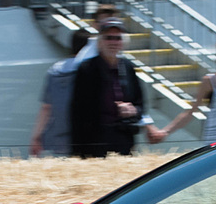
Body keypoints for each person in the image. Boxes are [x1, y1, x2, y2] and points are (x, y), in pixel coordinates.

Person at [69, 19, 168, 157]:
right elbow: (77, 111)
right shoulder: (86, 68)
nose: (113, 42)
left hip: (123, 140)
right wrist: (76, 150)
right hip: (95, 141)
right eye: (108, 38)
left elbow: (140, 104)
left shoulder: (128, 67)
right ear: (100, 41)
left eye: (117, 38)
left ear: (123, 42)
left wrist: (133, 110)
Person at [29, 26, 93, 158]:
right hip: (85, 137)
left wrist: (36, 137)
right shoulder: (91, 70)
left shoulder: (55, 70)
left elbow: (46, 108)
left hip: (58, 139)